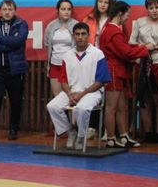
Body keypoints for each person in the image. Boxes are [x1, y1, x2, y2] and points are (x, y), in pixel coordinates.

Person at [46, 22, 111, 150]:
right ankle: (71, 132)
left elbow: (101, 81)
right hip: (71, 92)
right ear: (73, 36)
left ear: (88, 35)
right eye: (77, 34)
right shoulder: (67, 55)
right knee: (52, 106)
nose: (80, 37)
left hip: (92, 93)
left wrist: (82, 94)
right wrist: (70, 93)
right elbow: (63, 80)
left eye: (83, 34)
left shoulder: (98, 54)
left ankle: (81, 136)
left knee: (81, 109)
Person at [100, 0, 151, 148]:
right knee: (111, 107)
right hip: (113, 71)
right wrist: (145, 49)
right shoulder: (112, 31)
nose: (128, 17)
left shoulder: (113, 29)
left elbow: (124, 47)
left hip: (119, 70)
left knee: (122, 106)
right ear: (120, 14)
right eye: (127, 14)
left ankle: (123, 136)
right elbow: (126, 52)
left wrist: (139, 47)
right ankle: (110, 138)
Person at [0, 0, 28, 142]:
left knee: (16, 101)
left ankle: (13, 129)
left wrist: (0, 39)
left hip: (15, 69)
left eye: (10, 9)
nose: (7, 12)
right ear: (0, 10)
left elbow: (19, 41)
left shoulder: (22, 24)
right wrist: (9, 43)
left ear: (15, 10)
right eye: (4, 9)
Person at [130, 0, 158, 142]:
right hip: (142, 63)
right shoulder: (139, 23)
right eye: (151, 8)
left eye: (156, 7)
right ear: (147, 9)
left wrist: (157, 47)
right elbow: (131, 42)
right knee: (144, 99)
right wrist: (143, 48)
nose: (154, 10)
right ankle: (148, 133)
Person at [44, 0, 77, 120]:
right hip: (54, 65)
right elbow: (47, 44)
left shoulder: (75, 25)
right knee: (57, 97)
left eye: (69, 9)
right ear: (58, 10)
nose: (66, 12)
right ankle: (61, 128)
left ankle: (74, 126)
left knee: (71, 96)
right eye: (63, 9)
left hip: (70, 67)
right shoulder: (51, 26)